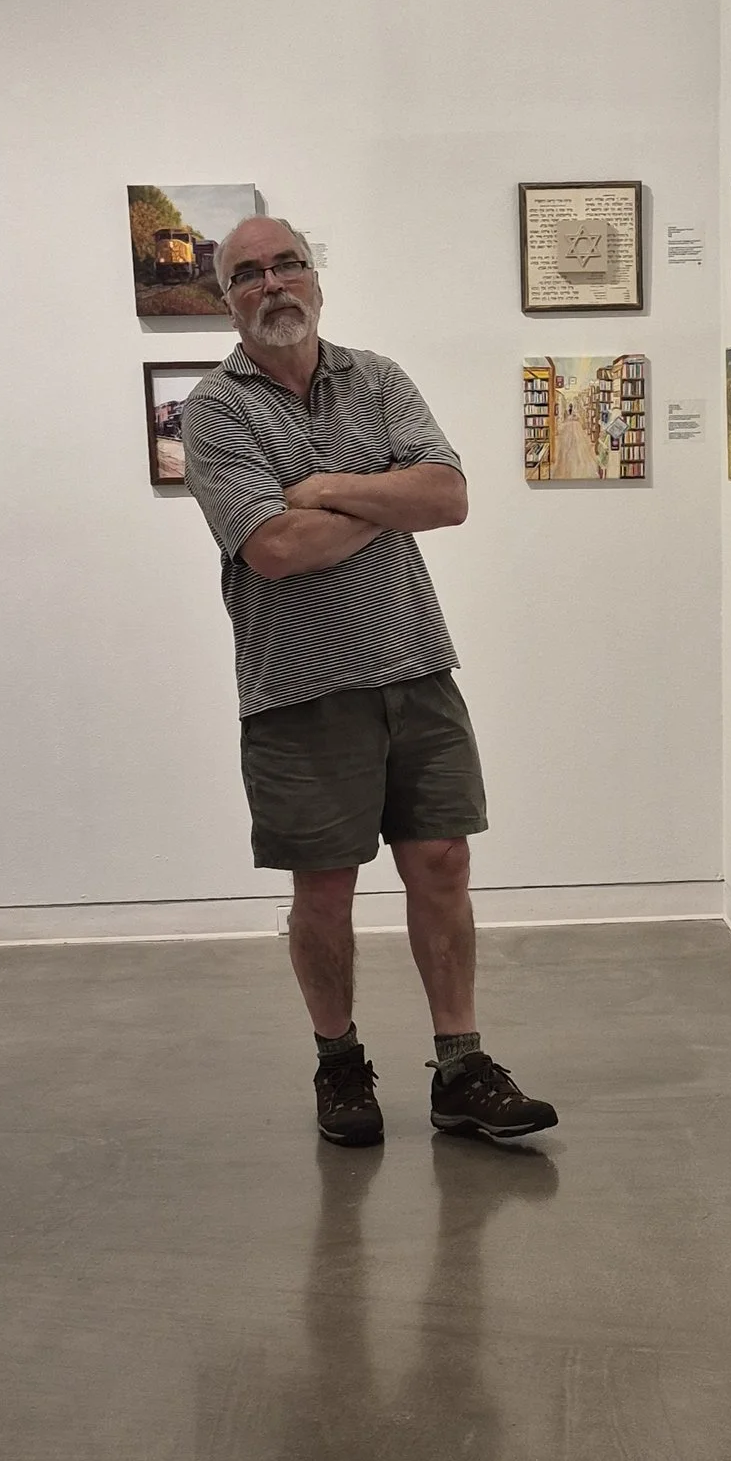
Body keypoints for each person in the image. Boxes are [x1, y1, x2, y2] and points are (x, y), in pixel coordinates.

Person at [179, 216, 559, 1151]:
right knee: (325, 891)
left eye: (288, 265)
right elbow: (274, 549)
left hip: (415, 663)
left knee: (444, 863)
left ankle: (461, 1067)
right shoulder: (215, 409)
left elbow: (448, 496)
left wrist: (319, 487)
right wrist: (383, 493)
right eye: (249, 273)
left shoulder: (377, 378)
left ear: (316, 278)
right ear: (227, 299)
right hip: (298, 688)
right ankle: (339, 1060)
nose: (273, 284)